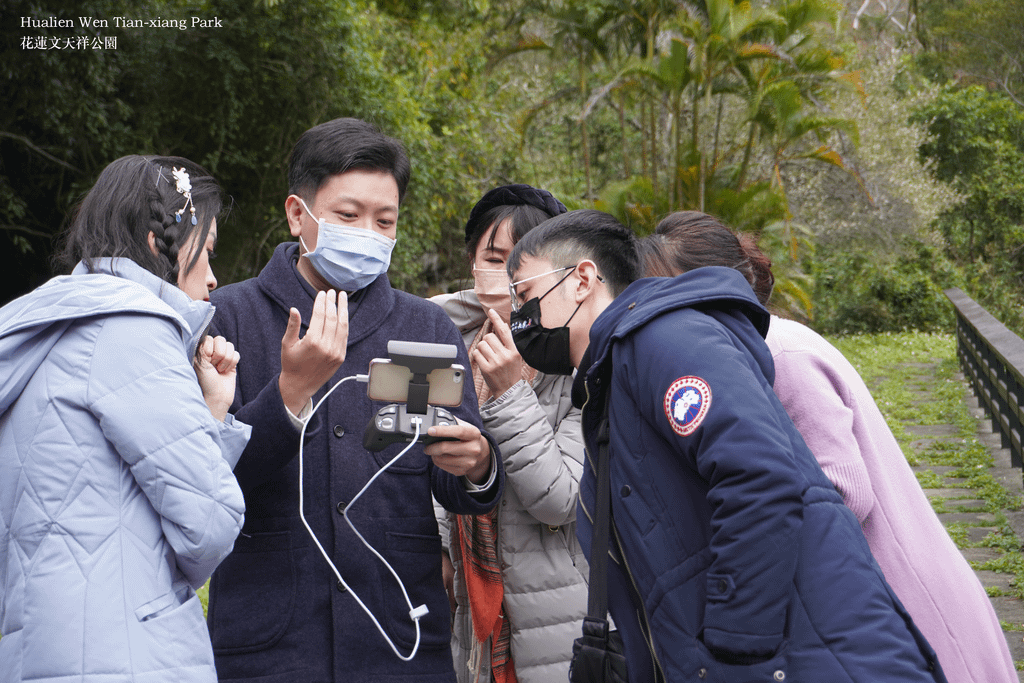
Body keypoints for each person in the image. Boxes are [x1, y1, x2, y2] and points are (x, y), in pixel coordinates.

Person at [505, 209, 949, 682]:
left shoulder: (662, 337)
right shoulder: (610, 385)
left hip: (809, 662)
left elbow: (760, 475)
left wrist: (733, 646)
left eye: (526, 294)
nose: (518, 318)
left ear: (582, 280)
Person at [644, 209, 1018, 683]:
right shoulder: (744, 355)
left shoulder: (782, 354)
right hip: (868, 602)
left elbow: (845, 490)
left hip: (906, 599)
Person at [206, 117, 505, 683]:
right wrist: (289, 394)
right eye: (348, 216)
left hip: (399, 639)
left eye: (384, 220)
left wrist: (478, 465)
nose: (368, 232)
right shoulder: (231, 320)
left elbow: (455, 477)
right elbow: (207, 482)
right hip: (269, 644)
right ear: (300, 214)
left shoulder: (425, 327)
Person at [0, 155, 248, 682]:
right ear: (160, 245)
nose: (213, 277)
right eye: (205, 254)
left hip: (38, 650)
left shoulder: (43, 326)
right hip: (128, 654)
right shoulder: (131, 331)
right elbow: (209, 522)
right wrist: (213, 413)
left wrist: (210, 410)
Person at [429, 185, 587, 683]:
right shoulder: (449, 341)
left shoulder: (577, 360)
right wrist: (440, 544)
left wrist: (511, 392)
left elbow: (560, 501)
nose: (507, 276)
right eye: (494, 258)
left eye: (521, 264)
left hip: (555, 609)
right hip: (471, 597)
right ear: (472, 261)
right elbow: (431, 450)